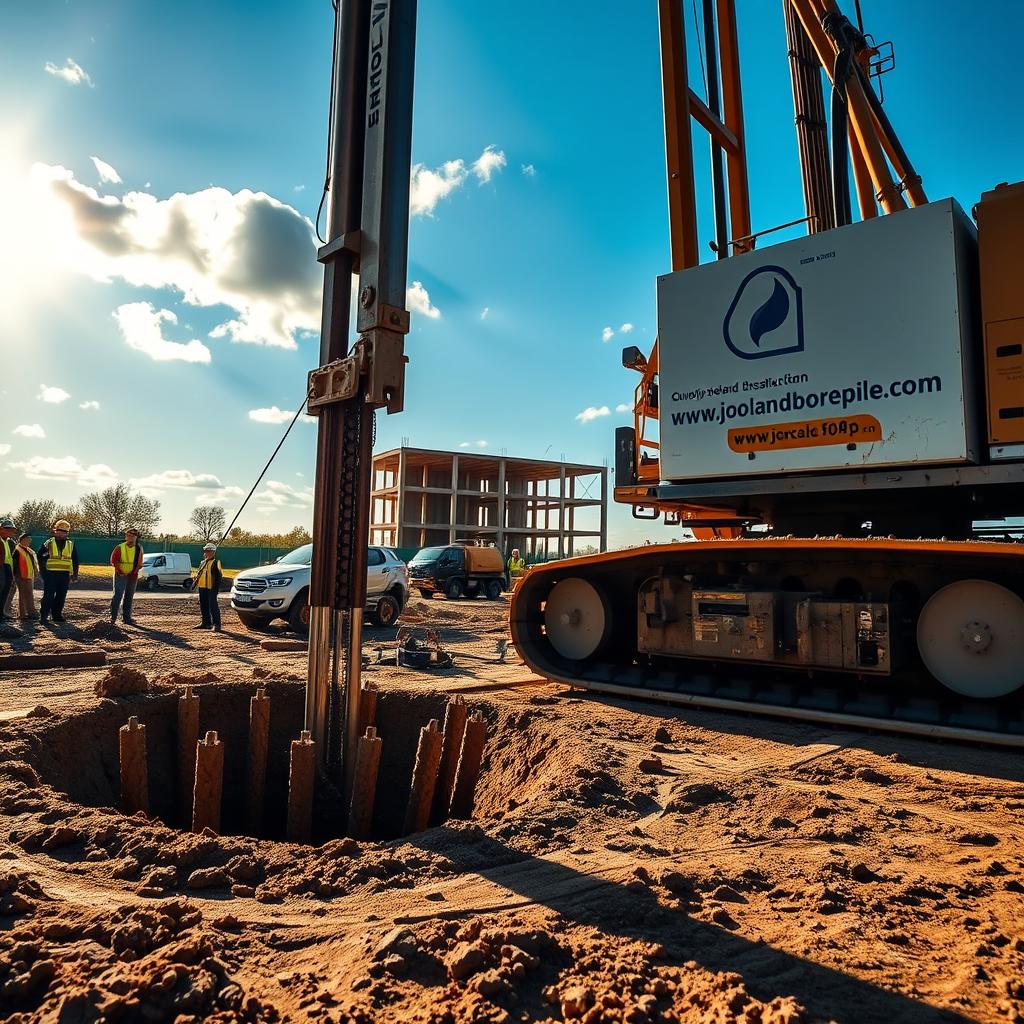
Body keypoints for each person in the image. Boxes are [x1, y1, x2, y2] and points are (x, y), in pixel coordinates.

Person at [38, 520, 79, 624]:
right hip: (50, 574)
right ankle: (44, 616)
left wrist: (75, 573)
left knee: (61, 595)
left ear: (67, 533)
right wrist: (44, 572)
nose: (62, 533)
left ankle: (57, 615)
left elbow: (75, 559)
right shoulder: (49, 542)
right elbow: (40, 556)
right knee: (48, 595)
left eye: (64, 531)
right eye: (59, 531)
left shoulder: (70, 544)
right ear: (55, 531)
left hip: (64, 574)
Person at [110, 527, 143, 625]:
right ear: (126, 536)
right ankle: (113, 617)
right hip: (120, 575)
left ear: (136, 537)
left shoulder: (138, 548)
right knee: (118, 595)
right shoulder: (120, 547)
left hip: (132, 576)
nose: (130, 537)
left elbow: (139, 563)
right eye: (128, 535)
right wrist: (119, 571)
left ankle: (127, 618)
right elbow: (114, 561)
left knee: (129, 596)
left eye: (133, 536)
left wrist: (134, 572)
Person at [192, 542, 223, 631]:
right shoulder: (202, 563)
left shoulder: (216, 562)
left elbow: (219, 577)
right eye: (206, 551)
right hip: (202, 588)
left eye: (209, 551)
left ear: (213, 552)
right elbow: (199, 574)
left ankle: (217, 624)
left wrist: (215, 589)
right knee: (203, 606)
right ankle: (206, 623)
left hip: (211, 588)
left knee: (213, 606)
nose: (207, 553)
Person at [13, 533, 39, 620]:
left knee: (29, 594)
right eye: (28, 539)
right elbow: (15, 564)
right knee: (23, 595)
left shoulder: (28, 550)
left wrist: (35, 572)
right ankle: (23, 614)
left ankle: (30, 613)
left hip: (28, 575)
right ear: (23, 540)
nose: (30, 541)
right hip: (21, 576)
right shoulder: (17, 550)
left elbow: (32, 563)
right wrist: (17, 575)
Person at [0, 517, 16, 621]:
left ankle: (1, 613)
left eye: (11, 529)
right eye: (7, 529)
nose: (10, 531)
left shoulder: (11, 542)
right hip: (1, 567)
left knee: (5, 590)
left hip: (7, 568)